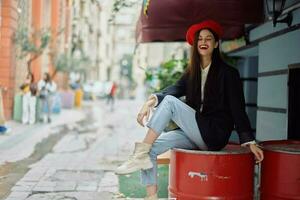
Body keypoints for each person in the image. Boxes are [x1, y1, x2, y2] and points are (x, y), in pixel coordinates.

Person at [115, 20, 264, 200]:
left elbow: (238, 108)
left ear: (216, 44)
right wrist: (150, 101)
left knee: (169, 104)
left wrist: (249, 141)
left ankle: (139, 153)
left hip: (214, 135)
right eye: (200, 38)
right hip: (195, 133)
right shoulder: (192, 72)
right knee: (152, 150)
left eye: (209, 38)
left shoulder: (228, 73)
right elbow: (174, 89)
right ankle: (151, 196)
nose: (204, 41)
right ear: (195, 44)